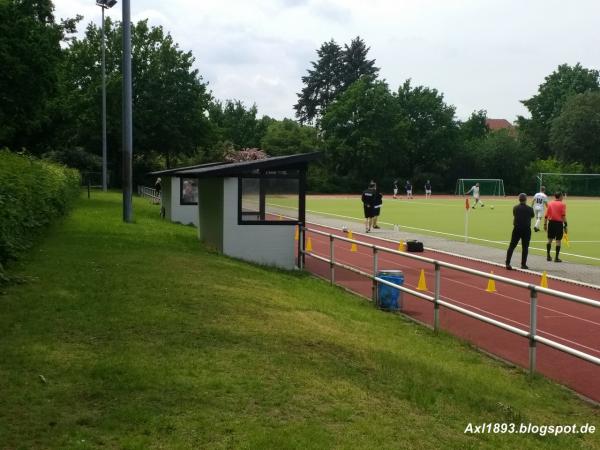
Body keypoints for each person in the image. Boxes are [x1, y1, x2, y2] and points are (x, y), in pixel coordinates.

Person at [505, 193, 534, 270]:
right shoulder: (530, 209)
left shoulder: (515, 208)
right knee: (525, 247)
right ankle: (523, 264)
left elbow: (514, 214)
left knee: (512, 246)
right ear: (526, 199)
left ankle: (507, 263)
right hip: (526, 229)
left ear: (519, 199)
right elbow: (532, 216)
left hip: (517, 228)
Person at [544, 191, 567, 262]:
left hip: (551, 223)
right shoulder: (562, 205)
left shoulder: (550, 203)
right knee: (558, 241)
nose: (563, 197)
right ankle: (556, 258)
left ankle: (548, 256)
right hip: (558, 224)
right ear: (560, 196)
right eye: (562, 196)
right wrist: (565, 225)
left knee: (549, 240)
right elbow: (563, 216)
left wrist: (545, 224)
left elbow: (546, 215)